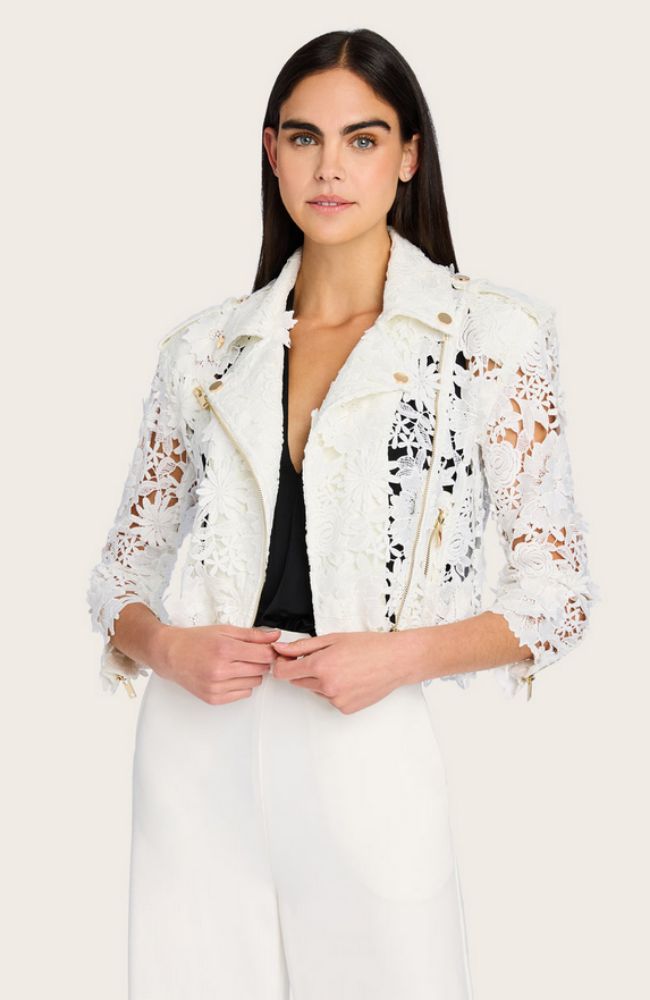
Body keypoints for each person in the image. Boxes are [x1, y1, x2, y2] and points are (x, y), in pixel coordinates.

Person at [86, 27, 597, 1000]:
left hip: (365, 735)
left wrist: (396, 659)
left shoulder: (491, 337)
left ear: (407, 157)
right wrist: (169, 649)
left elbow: (557, 592)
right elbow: (121, 573)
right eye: (304, 137)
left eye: (362, 139)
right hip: (194, 745)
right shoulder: (202, 350)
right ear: (270, 150)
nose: (330, 168)